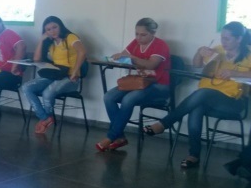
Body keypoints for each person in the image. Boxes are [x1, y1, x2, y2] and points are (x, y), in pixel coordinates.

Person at [145, 21, 251, 168]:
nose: (223, 42)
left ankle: (165, 123)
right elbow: (197, 65)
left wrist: (235, 73)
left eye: (227, 39)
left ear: (239, 39)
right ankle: (193, 155)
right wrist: (199, 53)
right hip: (206, 97)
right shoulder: (218, 50)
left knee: (203, 93)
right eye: (222, 38)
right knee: (197, 107)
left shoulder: (248, 54)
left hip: (233, 101)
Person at [97, 18, 171, 151]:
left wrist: (133, 58)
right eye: (136, 34)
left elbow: (151, 65)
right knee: (108, 97)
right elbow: (124, 56)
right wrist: (117, 58)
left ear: (153, 33)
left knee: (128, 99)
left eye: (143, 35)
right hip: (138, 82)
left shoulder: (160, 45)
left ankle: (111, 136)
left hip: (158, 85)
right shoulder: (136, 43)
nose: (138, 38)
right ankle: (120, 137)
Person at [22, 16, 87, 134]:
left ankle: (46, 120)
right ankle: (45, 118)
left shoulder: (70, 37)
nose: (52, 31)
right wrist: (41, 40)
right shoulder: (50, 42)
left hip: (70, 78)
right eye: (48, 29)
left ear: (60, 26)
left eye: (54, 27)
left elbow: (82, 52)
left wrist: (75, 71)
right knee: (26, 87)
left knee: (47, 93)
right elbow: (36, 59)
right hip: (55, 75)